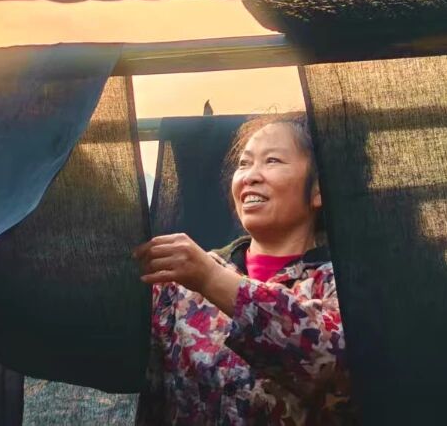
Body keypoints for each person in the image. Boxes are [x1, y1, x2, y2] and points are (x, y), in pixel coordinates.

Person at [134, 113, 354, 424]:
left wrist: (211, 279)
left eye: (272, 160)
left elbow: (335, 363)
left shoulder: (344, 281)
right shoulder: (181, 285)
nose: (250, 176)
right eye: (244, 163)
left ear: (319, 188)